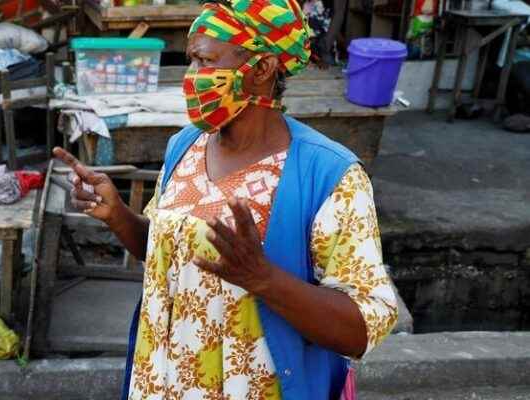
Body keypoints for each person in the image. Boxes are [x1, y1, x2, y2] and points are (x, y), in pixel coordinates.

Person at [54, 0, 398, 398]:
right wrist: (118, 216)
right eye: (192, 61)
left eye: (205, 62)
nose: (191, 78)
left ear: (263, 68)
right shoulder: (185, 146)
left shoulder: (328, 176)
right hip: (164, 382)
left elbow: (361, 330)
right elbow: (172, 255)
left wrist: (264, 279)